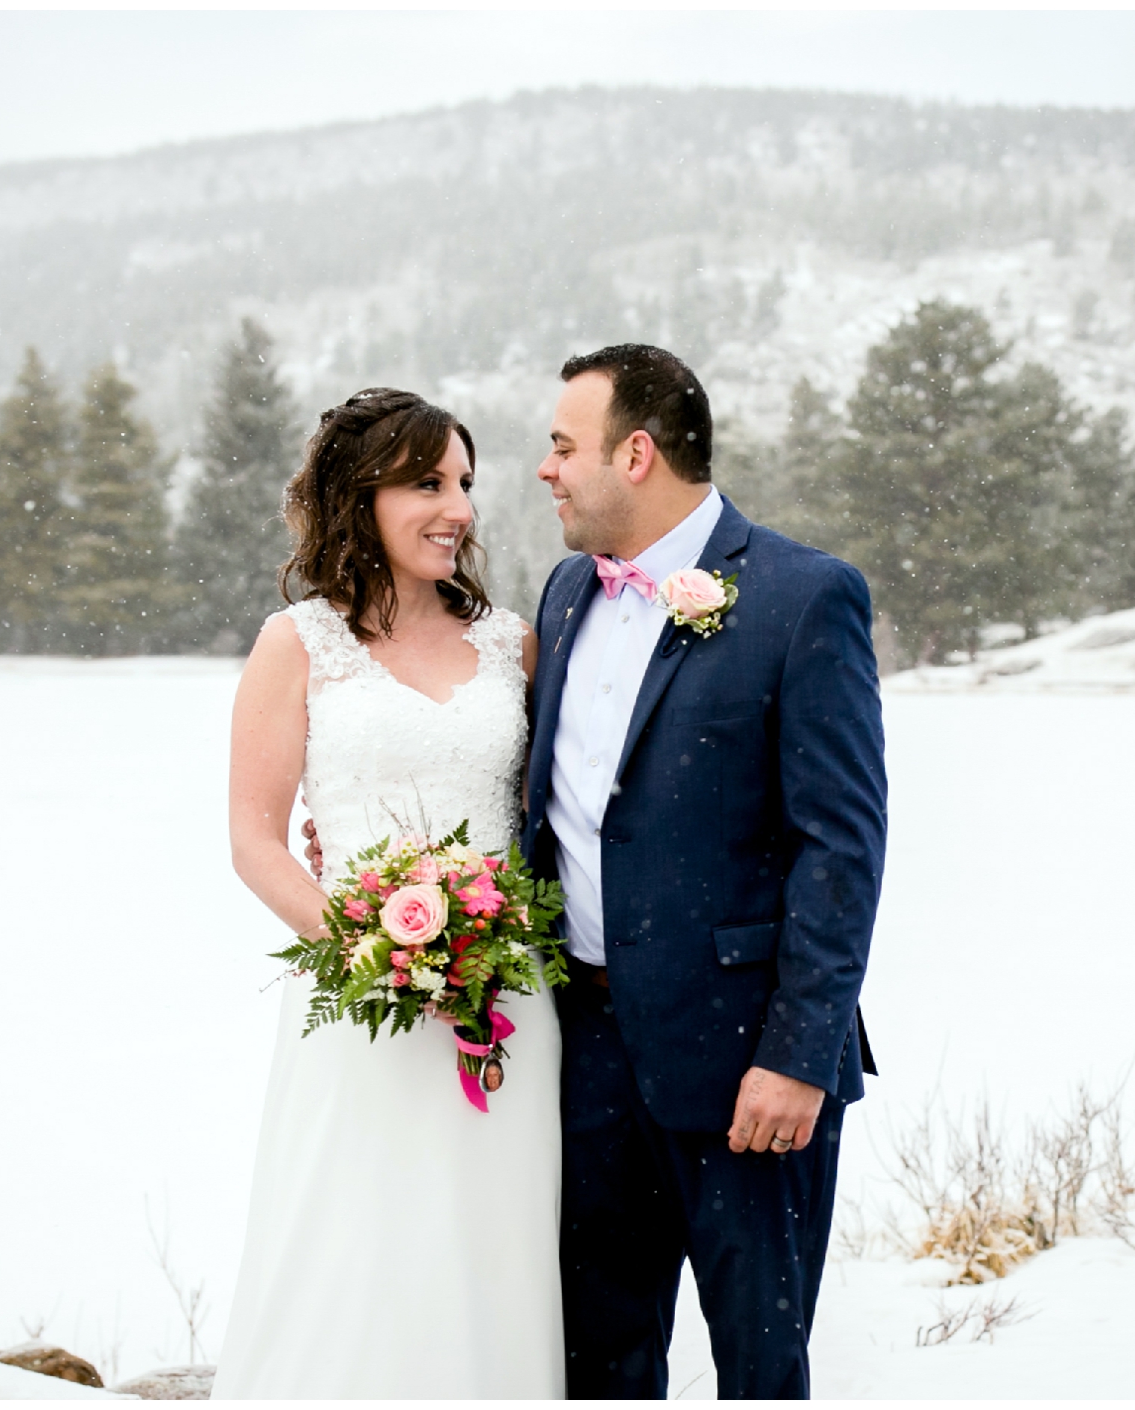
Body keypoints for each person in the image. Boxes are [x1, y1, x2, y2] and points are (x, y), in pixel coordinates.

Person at [526, 344, 886, 1399]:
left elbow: (842, 844)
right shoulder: (560, 593)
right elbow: (547, 809)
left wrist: (799, 1054)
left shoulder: (801, 596)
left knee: (759, 1370)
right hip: (584, 1052)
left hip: (746, 1067)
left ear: (634, 454)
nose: (546, 470)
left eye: (561, 447)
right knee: (597, 1360)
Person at [216, 388, 563, 1398]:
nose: (455, 507)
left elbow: (560, 811)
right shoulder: (299, 645)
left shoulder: (512, 645)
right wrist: (378, 953)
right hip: (357, 995)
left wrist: (476, 948)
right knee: (354, 1236)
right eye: (425, 483)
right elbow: (254, 839)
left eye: (463, 482)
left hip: (508, 996)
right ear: (356, 498)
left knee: (491, 1239)